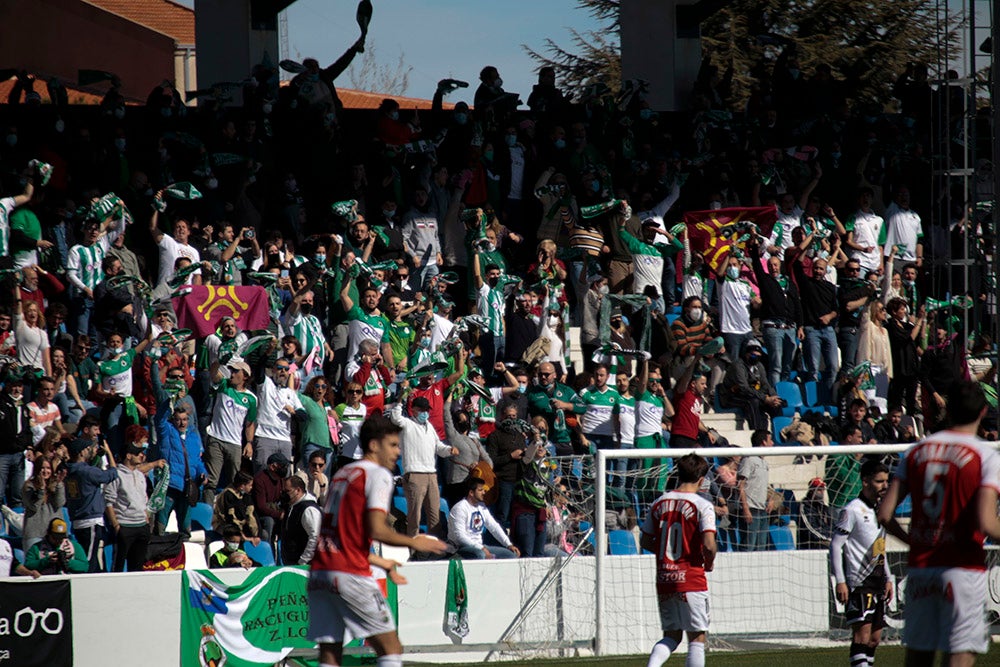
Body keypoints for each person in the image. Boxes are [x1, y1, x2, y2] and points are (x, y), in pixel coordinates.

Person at [307, 415, 448, 667]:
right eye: (393, 445)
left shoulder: (342, 474)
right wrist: (415, 542)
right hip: (349, 573)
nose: (398, 452)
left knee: (330, 654)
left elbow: (342, 535)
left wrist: (382, 563)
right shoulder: (378, 474)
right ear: (374, 445)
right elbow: (377, 529)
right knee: (390, 646)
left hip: (321, 572)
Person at [877, 381, 1000, 666]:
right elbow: (987, 522)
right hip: (962, 568)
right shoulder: (984, 456)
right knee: (959, 654)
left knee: (918, 656)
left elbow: (884, 514)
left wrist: (913, 541)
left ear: (947, 409)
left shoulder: (917, 451)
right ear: (983, 412)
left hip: (921, 569)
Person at [640, 453, 717, 667]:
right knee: (697, 638)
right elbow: (709, 545)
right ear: (701, 480)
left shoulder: (658, 502)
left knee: (672, 635)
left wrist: (667, 555)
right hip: (691, 578)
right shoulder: (702, 505)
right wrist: (708, 562)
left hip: (665, 578)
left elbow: (645, 540)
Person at [830, 459, 892, 667]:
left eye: (886, 481)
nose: (885, 485)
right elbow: (836, 546)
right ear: (865, 482)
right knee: (861, 637)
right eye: (879, 481)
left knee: (875, 639)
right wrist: (840, 580)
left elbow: (880, 547)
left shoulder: (881, 509)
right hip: (859, 581)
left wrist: (889, 577)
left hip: (878, 580)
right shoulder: (852, 510)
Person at [388, 395, 458, 537]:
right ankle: (413, 547)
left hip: (431, 475)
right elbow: (395, 417)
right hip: (414, 474)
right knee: (415, 515)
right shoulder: (406, 424)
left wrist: (449, 450)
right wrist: (401, 400)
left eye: (427, 409)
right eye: (422, 409)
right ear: (413, 409)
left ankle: (433, 547)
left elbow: (438, 447)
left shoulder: (430, 427)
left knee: (434, 514)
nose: (425, 412)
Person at [104, 425, 165, 572]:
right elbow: (108, 502)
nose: (142, 456)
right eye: (137, 453)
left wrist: (146, 517)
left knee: (137, 567)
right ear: (128, 455)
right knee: (118, 566)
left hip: (141, 526)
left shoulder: (140, 475)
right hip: (125, 526)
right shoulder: (116, 475)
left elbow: (143, 498)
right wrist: (117, 526)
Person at [65, 426, 118, 572]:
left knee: (87, 556)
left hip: (77, 521)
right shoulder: (87, 472)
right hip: (91, 521)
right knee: (90, 560)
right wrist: (108, 452)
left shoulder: (70, 471)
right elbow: (112, 474)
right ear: (82, 452)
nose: (91, 450)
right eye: (89, 449)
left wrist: (95, 456)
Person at [447, 476, 520, 559]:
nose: (484, 493)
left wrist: (508, 544)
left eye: (483, 490)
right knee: (480, 554)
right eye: (480, 490)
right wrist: (481, 548)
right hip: (461, 548)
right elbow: (460, 537)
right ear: (471, 493)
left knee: (511, 554)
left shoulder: (482, 507)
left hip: (480, 546)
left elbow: (494, 527)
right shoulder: (460, 508)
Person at [737, 429, 772, 552]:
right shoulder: (749, 459)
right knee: (748, 546)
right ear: (763, 442)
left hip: (762, 510)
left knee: (761, 547)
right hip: (751, 509)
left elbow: (762, 485)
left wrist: (770, 499)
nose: (772, 443)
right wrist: (745, 508)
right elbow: (740, 484)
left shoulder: (764, 462)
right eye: (770, 440)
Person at [20, 455, 65, 550]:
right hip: (35, 533)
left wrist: (59, 484)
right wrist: (41, 489)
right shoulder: (28, 486)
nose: (45, 471)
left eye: (48, 468)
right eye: (42, 468)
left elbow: (59, 503)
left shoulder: (56, 485)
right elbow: (34, 506)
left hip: (54, 534)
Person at [24, 517, 90, 575]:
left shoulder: (75, 546)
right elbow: (28, 565)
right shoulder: (36, 547)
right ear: (48, 533)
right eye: (55, 538)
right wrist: (46, 561)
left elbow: (85, 566)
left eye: (61, 538)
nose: (58, 541)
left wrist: (67, 562)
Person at [281, 475, 322, 566]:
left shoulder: (308, 509)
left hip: (304, 566)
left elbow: (315, 537)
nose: (284, 494)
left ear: (298, 490)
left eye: (287, 491)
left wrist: (303, 561)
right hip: (291, 564)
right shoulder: (291, 507)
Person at [211, 471, 259, 545]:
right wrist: (244, 537)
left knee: (263, 534)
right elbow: (230, 519)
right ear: (242, 486)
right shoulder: (228, 495)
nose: (251, 487)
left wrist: (256, 535)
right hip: (225, 525)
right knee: (234, 535)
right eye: (250, 485)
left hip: (241, 526)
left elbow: (251, 514)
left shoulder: (246, 495)